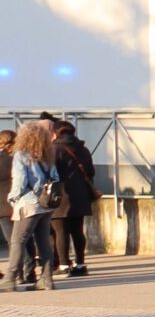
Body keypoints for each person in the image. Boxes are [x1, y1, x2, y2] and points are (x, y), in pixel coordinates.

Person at [8, 121, 61, 292]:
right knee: (43, 242)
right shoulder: (48, 155)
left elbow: (20, 182)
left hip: (29, 203)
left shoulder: (21, 155)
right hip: (46, 205)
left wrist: (13, 198)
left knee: (18, 241)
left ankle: (9, 278)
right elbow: (55, 178)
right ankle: (46, 279)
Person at [48, 116, 94, 277]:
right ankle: (80, 264)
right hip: (81, 194)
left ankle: (63, 264)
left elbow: (50, 172)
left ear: (56, 133)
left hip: (60, 195)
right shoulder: (83, 149)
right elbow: (91, 171)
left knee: (60, 231)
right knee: (77, 230)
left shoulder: (54, 149)